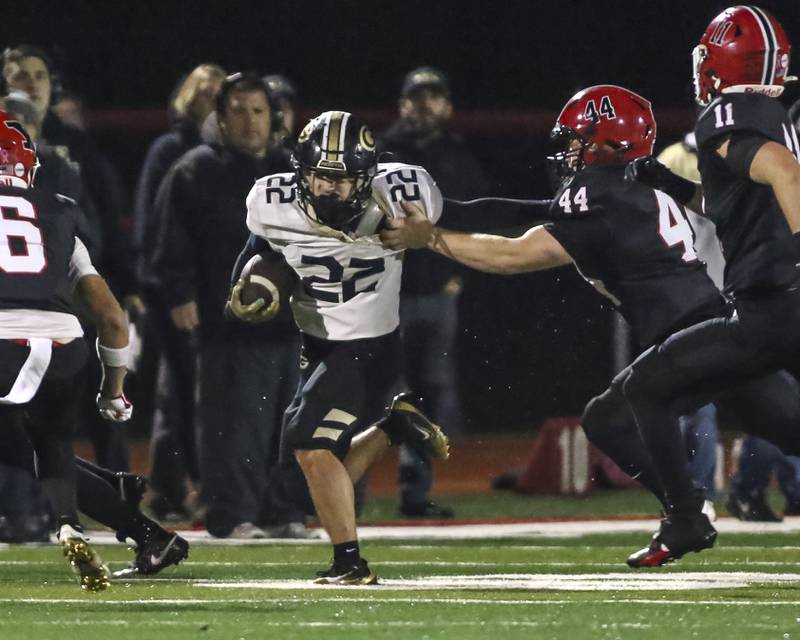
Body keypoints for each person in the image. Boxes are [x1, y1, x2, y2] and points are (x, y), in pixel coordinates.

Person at [379, 83, 800, 567]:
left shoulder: (598, 191)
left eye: (577, 140)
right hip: (708, 324)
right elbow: (521, 212)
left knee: (619, 411)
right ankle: (686, 511)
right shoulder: (624, 185)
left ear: (608, 141)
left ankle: (687, 513)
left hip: (694, 331)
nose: (567, 152)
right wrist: (442, 210)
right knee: (779, 428)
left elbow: (517, 255)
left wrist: (429, 239)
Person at [227, 110, 450, 584]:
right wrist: (246, 294)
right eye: (318, 176)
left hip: (370, 347)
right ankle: (393, 425)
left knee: (306, 443)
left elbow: (473, 210)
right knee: (301, 485)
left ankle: (350, 562)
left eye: (341, 180)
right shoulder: (273, 200)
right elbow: (255, 252)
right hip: (319, 346)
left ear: (366, 177)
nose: (327, 188)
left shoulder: (401, 194)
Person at [620, 5, 800, 563]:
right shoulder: (772, 111)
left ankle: (686, 520)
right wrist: (673, 186)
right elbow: (740, 205)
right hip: (774, 303)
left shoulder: (726, 112)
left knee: (645, 388)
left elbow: (782, 172)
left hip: (770, 307)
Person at [149, 72, 309, 539]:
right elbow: (169, 239)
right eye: (238, 110)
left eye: (258, 110)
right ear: (219, 117)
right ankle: (232, 513)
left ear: (274, 117)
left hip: (292, 321)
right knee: (232, 424)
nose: (250, 121)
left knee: (290, 419)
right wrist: (178, 293)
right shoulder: (195, 169)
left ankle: (282, 511)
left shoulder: (292, 170)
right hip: (227, 323)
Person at [0, 111, 128, 590]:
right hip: (63, 344)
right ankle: (70, 523)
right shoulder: (60, 209)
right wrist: (114, 392)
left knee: (21, 446)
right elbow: (112, 318)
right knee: (50, 442)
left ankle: (120, 512)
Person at [657, 107, 800, 523]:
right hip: (721, 296)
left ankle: (711, 496)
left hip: (755, 297)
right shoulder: (725, 155)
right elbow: (716, 209)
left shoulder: (769, 160)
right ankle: (699, 497)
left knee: (767, 401)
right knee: (699, 400)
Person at [378, 66, 489, 518]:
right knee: (378, 394)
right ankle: (350, 493)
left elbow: (476, 216)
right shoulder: (383, 152)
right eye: (417, 98)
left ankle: (415, 493)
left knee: (427, 393)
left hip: (437, 292)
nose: (425, 107)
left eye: (433, 97)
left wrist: (461, 274)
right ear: (403, 103)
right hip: (388, 293)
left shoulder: (455, 154)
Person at [133, 63, 225, 521]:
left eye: (216, 93)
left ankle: (169, 489)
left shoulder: (227, 154)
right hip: (175, 291)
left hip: (210, 292)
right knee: (182, 391)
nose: (209, 99)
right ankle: (188, 486)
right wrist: (165, 289)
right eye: (202, 92)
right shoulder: (172, 150)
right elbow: (152, 228)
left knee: (180, 394)